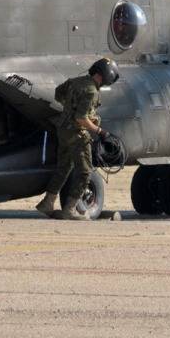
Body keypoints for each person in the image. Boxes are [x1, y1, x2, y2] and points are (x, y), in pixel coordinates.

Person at [36, 58, 119, 220]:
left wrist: (70, 107)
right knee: (85, 171)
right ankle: (70, 209)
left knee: (64, 168)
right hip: (77, 134)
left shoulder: (75, 82)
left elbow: (58, 93)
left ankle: (47, 203)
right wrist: (100, 131)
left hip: (63, 131)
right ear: (105, 76)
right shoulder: (92, 91)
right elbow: (81, 118)